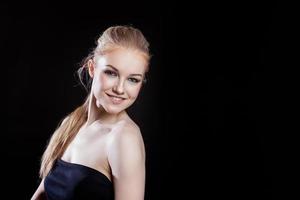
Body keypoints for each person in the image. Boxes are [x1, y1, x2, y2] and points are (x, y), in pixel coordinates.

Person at [31, 25, 151, 200]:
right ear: (92, 68)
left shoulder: (123, 138)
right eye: (111, 73)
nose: (119, 89)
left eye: (133, 79)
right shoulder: (71, 124)